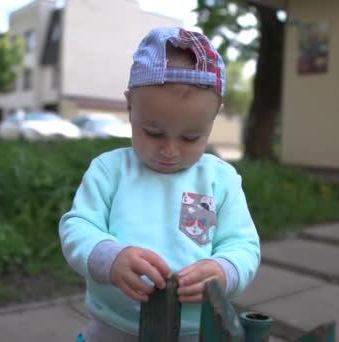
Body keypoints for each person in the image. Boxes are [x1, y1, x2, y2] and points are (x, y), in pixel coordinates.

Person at [59, 26, 260, 342]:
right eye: (152, 132)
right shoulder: (110, 170)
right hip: (113, 328)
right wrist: (109, 257)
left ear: (214, 117)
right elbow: (77, 227)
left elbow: (243, 245)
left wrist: (224, 270)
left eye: (191, 137)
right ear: (130, 107)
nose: (170, 150)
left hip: (198, 331)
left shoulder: (220, 180)